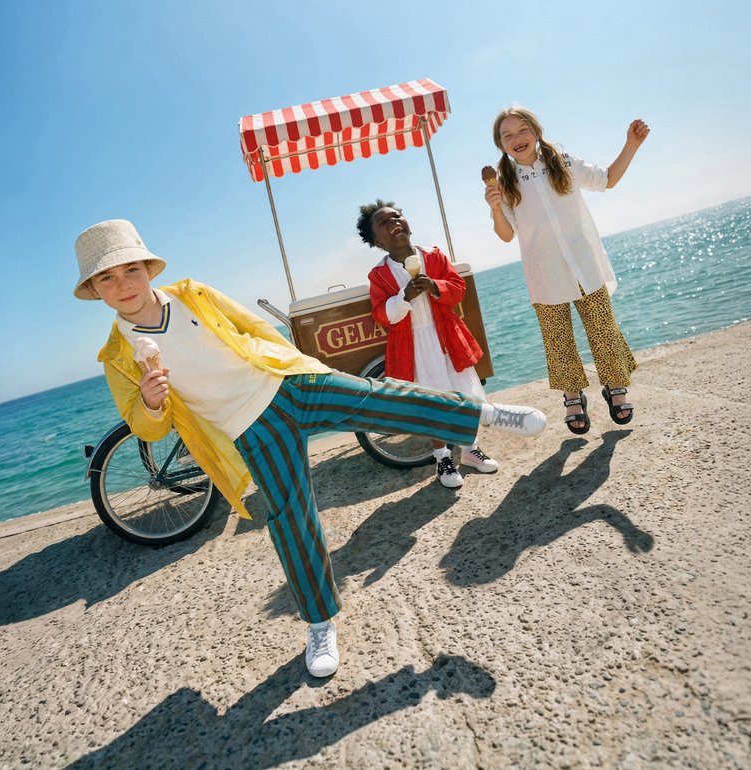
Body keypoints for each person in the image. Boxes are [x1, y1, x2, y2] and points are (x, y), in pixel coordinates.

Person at [73, 219, 547, 678]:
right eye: (108, 278)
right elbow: (145, 426)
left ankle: (484, 414)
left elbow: (255, 329)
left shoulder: (193, 295)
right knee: (291, 518)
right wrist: (153, 404)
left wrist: (298, 364)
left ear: (148, 268)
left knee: (379, 398)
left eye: (130, 269)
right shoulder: (117, 356)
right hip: (250, 429)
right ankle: (320, 625)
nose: (124, 284)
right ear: (95, 291)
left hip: (290, 382)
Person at [483, 107, 649, 433]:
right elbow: (505, 235)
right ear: (500, 145)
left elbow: (607, 179)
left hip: (584, 264)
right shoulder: (505, 184)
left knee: (604, 330)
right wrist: (494, 208)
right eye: (508, 135)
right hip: (544, 275)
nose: (517, 139)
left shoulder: (565, 162)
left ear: (536, 131)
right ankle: (573, 396)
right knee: (558, 339)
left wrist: (631, 144)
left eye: (522, 130)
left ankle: (615, 386)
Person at [359, 200, 499, 488]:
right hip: (414, 346)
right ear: (377, 241)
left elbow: (457, 289)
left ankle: (470, 449)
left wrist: (435, 286)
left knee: (463, 393)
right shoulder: (380, 275)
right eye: (384, 223)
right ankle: (442, 457)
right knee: (430, 399)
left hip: (445, 337)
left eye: (397, 216)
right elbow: (382, 315)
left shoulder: (433, 256)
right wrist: (405, 296)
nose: (394, 223)